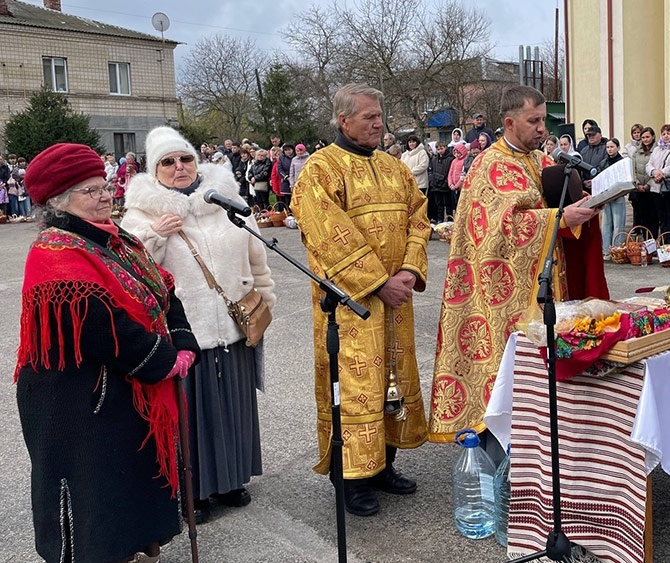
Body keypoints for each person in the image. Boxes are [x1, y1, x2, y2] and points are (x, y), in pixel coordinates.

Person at [17, 143, 199, 563]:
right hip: (78, 400)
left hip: (125, 386)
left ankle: (135, 546)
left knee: (130, 481)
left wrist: (183, 339)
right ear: (59, 201)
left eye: (105, 186)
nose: (105, 196)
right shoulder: (54, 253)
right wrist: (164, 359)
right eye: (91, 191)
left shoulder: (119, 239)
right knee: (96, 492)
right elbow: (100, 326)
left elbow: (162, 288)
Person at [429, 85, 601, 447]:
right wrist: (559, 218)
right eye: (533, 121)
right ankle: (503, 445)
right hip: (501, 296)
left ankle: (542, 441)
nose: (542, 129)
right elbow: (497, 230)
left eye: (544, 120)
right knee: (508, 376)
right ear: (509, 123)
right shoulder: (488, 165)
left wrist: (584, 205)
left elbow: (555, 206)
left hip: (545, 284)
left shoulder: (539, 160)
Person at [122, 126, 276, 525]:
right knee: (192, 417)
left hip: (234, 326)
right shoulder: (141, 214)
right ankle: (196, 490)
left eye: (185, 158)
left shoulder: (225, 199)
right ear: (155, 169)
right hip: (187, 334)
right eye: (168, 162)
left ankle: (232, 480)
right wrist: (155, 236)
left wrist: (265, 301)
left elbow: (257, 259)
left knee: (234, 408)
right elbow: (130, 272)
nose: (179, 167)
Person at [292, 83, 430, 517]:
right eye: (369, 116)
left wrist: (409, 271)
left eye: (380, 116)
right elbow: (327, 235)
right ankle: (351, 478)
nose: (378, 123)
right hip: (352, 308)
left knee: (392, 380)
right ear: (344, 120)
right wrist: (377, 282)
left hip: (397, 299)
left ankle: (384, 464)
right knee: (355, 389)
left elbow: (419, 218)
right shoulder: (320, 169)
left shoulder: (395, 167)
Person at [646, 124, 670, 238]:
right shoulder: (657, 149)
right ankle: (663, 241)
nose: (666, 136)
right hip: (656, 187)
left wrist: (662, 172)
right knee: (661, 217)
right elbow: (649, 164)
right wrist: (654, 172)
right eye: (663, 134)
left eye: (669, 133)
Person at [601, 138, 628, 255]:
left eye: (612, 147)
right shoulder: (603, 162)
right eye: (607, 147)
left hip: (618, 195)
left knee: (618, 224)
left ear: (618, 147)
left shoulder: (622, 162)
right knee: (605, 224)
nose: (609, 149)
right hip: (606, 196)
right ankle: (606, 250)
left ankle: (617, 250)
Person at [631, 126, 658, 236]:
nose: (645, 139)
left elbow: (657, 169)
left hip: (652, 189)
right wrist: (637, 184)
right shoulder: (637, 152)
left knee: (653, 218)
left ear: (653, 137)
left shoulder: (657, 151)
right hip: (639, 190)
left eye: (647, 137)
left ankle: (653, 239)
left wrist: (648, 184)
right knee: (642, 217)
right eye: (643, 137)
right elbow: (633, 170)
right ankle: (646, 241)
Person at [428, 142, 455, 222]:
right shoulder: (434, 159)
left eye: (441, 148)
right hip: (436, 185)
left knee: (448, 204)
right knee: (439, 204)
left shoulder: (450, 158)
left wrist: (446, 181)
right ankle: (440, 219)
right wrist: (433, 181)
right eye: (438, 149)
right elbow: (431, 171)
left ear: (445, 147)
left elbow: (451, 172)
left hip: (445, 185)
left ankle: (449, 219)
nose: (440, 151)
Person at [448, 142, 468, 207]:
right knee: (454, 204)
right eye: (455, 153)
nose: (457, 155)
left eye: (458, 153)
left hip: (460, 187)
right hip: (453, 186)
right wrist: (450, 184)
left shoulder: (465, 161)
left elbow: (463, 174)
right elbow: (450, 173)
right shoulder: (454, 161)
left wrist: (456, 186)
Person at [277, 143, 295, 209]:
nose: (288, 151)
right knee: (288, 200)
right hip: (286, 181)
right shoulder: (282, 158)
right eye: (286, 150)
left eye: (289, 149)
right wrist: (286, 177)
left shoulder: (296, 157)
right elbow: (279, 169)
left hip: (296, 179)